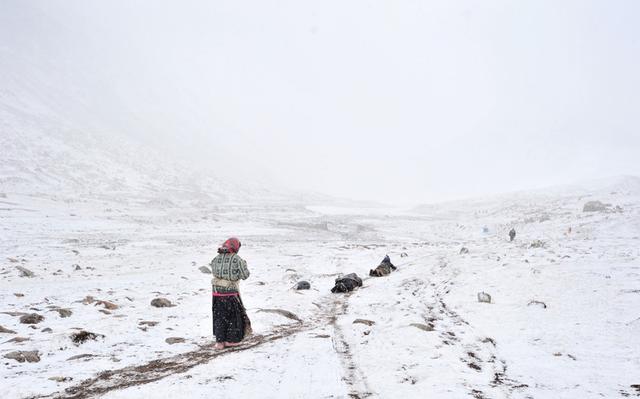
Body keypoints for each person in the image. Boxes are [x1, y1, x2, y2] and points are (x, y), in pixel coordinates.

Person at [210, 237, 251, 349]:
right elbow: (245, 275)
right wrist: (243, 266)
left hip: (216, 293)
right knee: (233, 317)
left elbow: (214, 272)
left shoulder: (215, 258)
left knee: (219, 316)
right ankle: (231, 340)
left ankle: (219, 342)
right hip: (230, 293)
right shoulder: (237, 259)